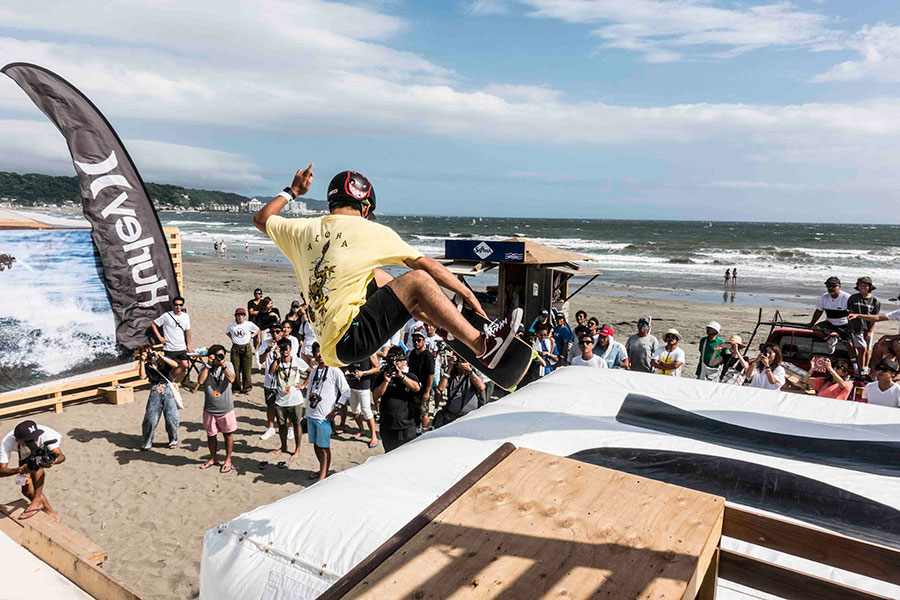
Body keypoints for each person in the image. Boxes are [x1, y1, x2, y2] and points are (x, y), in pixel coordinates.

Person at [254, 166, 522, 372]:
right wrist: (466, 291)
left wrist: (293, 191)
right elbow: (424, 265)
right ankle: (483, 345)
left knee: (379, 276)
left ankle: (441, 326)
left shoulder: (301, 229)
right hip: (351, 338)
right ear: (365, 206)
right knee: (417, 281)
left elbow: (262, 218)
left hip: (329, 347)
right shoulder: (371, 231)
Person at [0, 420, 65, 521]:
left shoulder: (45, 435)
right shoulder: (7, 442)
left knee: (37, 465)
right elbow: (1, 471)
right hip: (23, 453)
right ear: (17, 440)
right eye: (29, 440)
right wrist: (19, 469)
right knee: (27, 491)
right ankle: (46, 509)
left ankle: (41, 505)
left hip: (43, 448)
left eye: (35, 437)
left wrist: (53, 462)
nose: (34, 440)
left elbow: (61, 456)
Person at [305, 342, 351, 480]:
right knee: (316, 444)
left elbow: (346, 391)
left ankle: (324, 475)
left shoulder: (334, 370)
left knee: (324, 447)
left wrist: (337, 408)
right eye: (317, 352)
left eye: (322, 351)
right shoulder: (313, 371)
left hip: (325, 417)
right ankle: (321, 470)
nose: (319, 355)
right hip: (311, 414)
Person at [373, 346, 421, 452]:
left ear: (404, 361)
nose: (395, 364)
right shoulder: (382, 377)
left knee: (407, 456)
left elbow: (416, 388)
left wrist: (401, 377)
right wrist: (385, 382)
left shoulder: (410, 376)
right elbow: (376, 396)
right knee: (389, 455)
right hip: (388, 426)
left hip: (407, 426)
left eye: (398, 360)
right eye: (393, 360)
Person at [258, 325, 301, 441]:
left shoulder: (287, 343)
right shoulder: (266, 343)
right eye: (272, 332)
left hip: (284, 381)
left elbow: (293, 359)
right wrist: (268, 349)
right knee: (270, 405)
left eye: (277, 332)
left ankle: (290, 427)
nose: (275, 334)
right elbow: (261, 360)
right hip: (270, 381)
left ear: (282, 332)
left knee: (288, 406)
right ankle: (271, 427)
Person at [198, 345, 237, 473]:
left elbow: (232, 379)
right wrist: (209, 365)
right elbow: (201, 381)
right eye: (216, 355)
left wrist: (223, 365)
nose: (219, 358)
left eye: (221, 355)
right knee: (211, 435)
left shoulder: (228, 365)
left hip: (226, 408)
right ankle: (213, 458)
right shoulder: (205, 367)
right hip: (209, 408)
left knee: (227, 435)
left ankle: (228, 459)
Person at [269, 338, 308, 461]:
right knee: (281, 425)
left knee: (296, 425)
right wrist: (276, 358)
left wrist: (304, 385)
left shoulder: (297, 361)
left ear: (290, 349)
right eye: (282, 348)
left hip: (295, 399)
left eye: (286, 348)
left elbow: (310, 372)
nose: (284, 350)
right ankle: (283, 446)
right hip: (280, 399)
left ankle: (297, 449)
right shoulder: (277, 361)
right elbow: (271, 372)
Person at [138, 345, 180, 450]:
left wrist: (161, 356)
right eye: (147, 353)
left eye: (151, 351)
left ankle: (173, 440)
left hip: (168, 389)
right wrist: (142, 362)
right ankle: (146, 443)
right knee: (150, 418)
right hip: (155, 390)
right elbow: (142, 376)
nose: (151, 354)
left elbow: (176, 365)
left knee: (171, 417)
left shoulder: (163, 361)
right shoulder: (147, 366)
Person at [849, 292, 900, 370]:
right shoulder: (898, 312)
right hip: (897, 339)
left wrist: (887, 336)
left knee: (897, 344)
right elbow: (878, 318)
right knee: (878, 346)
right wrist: (858, 315)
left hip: (897, 342)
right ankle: (873, 372)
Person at [434, 354, 486, 428]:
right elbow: (441, 388)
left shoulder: (472, 373)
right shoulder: (451, 373)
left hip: (468, 417)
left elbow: (482, 387)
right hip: (451, 416)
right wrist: (450, 366)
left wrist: (470, 371)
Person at [150, 296, 191, 383]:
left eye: (180, 305)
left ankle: (172, 381)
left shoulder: (185, 316)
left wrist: (188, 345)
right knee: (167, 368)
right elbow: (153, 324)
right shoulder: (167, 316)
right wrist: (160, 337)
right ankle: (167, 382)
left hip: (181, 346)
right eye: (176, 305)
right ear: (173, 305)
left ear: (183, 306)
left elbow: (188, 331)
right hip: (170, 347)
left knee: (185, 365)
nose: (178, 307)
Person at [808, 276, 853, 358]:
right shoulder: (824, 297)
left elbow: (853, 313)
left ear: (839, 286)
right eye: (828, 286)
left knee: (849, 345)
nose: (831, 288)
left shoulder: (847, 297)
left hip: (844, 323)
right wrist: (812, 323)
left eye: (833, 286)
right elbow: (819, 311)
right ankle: (830, 340)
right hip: (830, 322)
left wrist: (853, 326)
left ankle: (855, 365)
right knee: (816, 329)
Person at [342, 354, 380, 448]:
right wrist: (346, 371)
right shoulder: (352, 351)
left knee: (366, 411)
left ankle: (373, 436)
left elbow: (377, 368)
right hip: (351, 384)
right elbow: (346, 365)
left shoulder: (370, 352)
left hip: (363, 385)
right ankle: (361, 430)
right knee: (355, 410)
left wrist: (364, 373)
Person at [847, 277, 881, 375]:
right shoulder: (853, 298)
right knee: (862, 348)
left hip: (868, 328)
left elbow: (876, 318)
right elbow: (850, 314)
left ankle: (865, 367)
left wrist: (870, 331)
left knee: (868, 349)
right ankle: (860, 369)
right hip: (857, 328)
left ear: (869, 287)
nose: (862, 287)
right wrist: (851, 328)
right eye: (860, 285)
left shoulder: (875, 301)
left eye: (865, 285)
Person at [225, 308, 260, 394]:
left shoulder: (249, 324)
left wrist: (252, 336)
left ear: (244, 316)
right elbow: (227, 332)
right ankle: (236, 388)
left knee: (247, 370)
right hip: (236, 348)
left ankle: (247, 388)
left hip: (246, 347)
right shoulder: (231, 325)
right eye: (238, 315)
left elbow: (257, 330)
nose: (240, 317)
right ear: (235, 316)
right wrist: (232, 338)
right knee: (235, 369)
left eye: (242, 315)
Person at [408, 330, 436, 431]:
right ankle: (418, 429)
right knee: (414, 411)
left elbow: (431, 375)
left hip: (423, 389)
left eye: (419, 340)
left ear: (424, 341)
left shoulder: (428, 356)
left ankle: (425, 431)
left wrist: (427, 392)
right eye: (414, 340)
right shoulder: (412, 354)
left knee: (424, 412)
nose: (416, 342)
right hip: (413, 388)